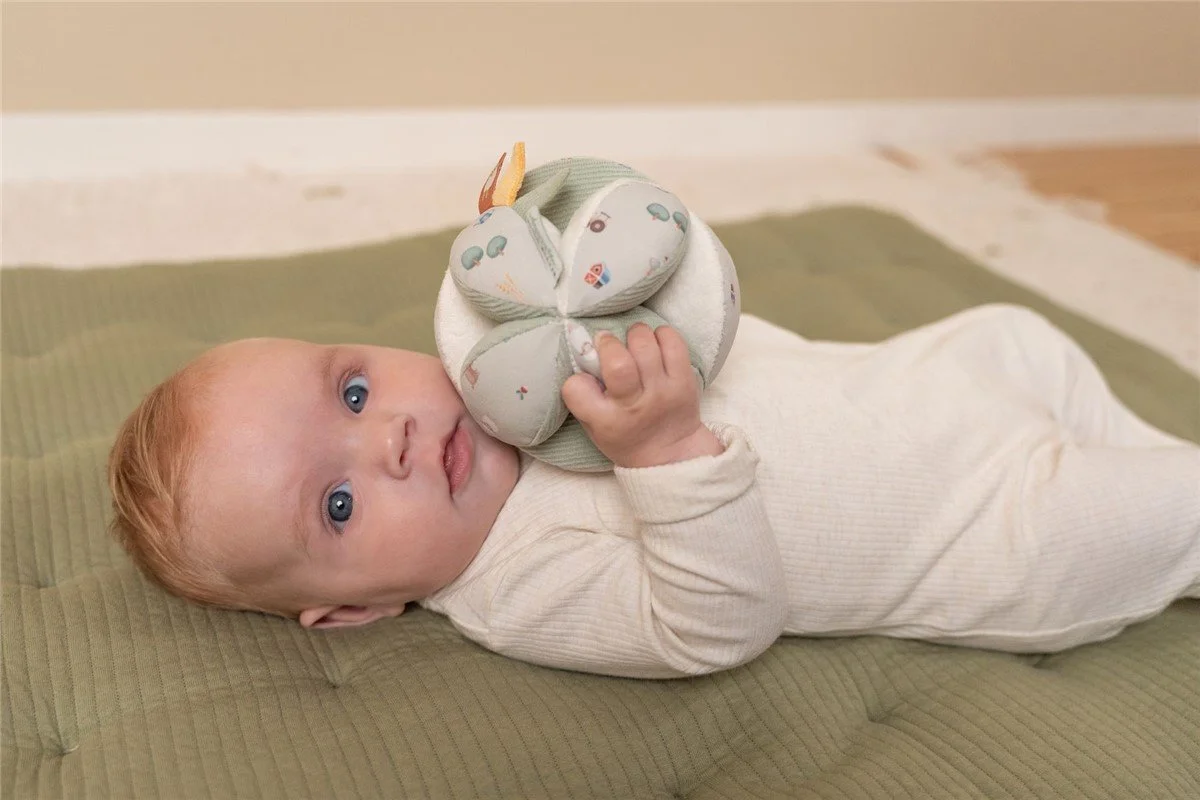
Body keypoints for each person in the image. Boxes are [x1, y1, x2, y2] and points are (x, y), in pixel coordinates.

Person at [108, 304, 1200, 679]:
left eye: (352, 387)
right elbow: (715, 625)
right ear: (354, 606)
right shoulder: (515, 586)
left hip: (941, 378)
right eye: (337, 507)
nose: (388, 436)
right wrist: (663, 448)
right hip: (1000, 526)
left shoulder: (516, 370)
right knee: (1171, 502)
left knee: (1024, 337)